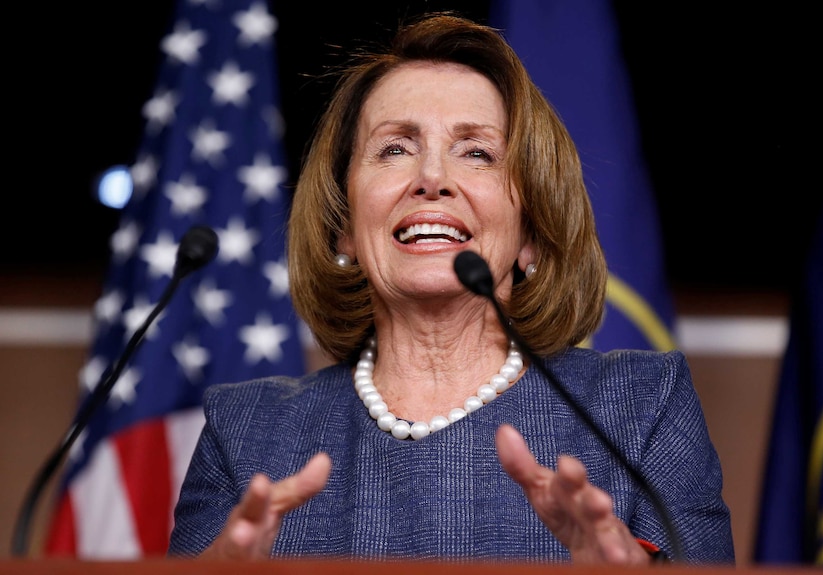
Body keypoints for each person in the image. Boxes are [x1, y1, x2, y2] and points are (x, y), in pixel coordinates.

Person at [168, 12, 735, 565]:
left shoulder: (641, 408)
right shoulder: (244, 432)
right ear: (343, 226)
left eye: (477, 153)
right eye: (395, 148)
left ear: (531, 233)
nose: (432, 178)